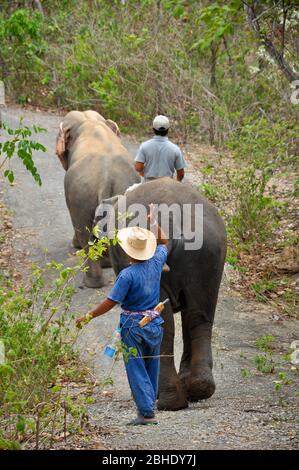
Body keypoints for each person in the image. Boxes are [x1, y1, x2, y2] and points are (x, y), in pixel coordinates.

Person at [76, 204, 169, 425]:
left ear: (128, 251)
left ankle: (146, 413)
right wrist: (154, 221)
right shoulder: (156, 263)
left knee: (136, 367)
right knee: (151, 364)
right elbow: (164, 242)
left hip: (133, 326)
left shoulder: (127, 275)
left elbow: (110, 302)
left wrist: (88, 316)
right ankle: (149, 405)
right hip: (155, 322)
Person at [134, 115, 186, 182]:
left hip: (148, 184)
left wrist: (144, 172)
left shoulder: (144, 146)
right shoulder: (175, 149)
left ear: (153, 129)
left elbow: (138, 167)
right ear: (168, 130)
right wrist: (176, 183)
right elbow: (181, 173)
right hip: (168, 183)